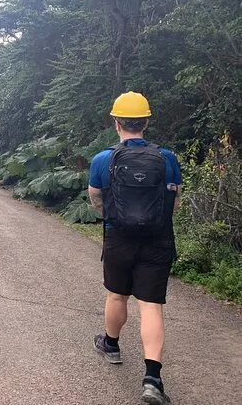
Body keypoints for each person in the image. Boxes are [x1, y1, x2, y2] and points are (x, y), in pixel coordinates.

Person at [88, 92, 182, 405]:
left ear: (116, 123)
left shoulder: (103, 160)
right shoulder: (167, 159)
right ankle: (153, 379)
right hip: (157, 240)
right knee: (151, 305)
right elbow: (175, 200)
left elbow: (96, 197)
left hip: (118, 237)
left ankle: (111, 345)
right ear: (146, 123)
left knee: (117, 295)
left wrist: (112, 218)